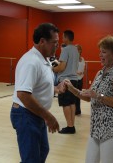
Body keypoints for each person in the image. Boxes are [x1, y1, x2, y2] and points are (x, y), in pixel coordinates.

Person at [65, 35, 113, 163]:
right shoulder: (100, 73)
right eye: (100, 51)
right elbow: (89, 97)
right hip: (96, 128)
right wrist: (71, 88)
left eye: (104, 52)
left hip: (112, 130)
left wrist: (99, 96)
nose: (100, 55)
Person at [10, 23, 66, 163]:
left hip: (36, 114)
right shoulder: (31, 62)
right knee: (32, 158)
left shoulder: (45, 59)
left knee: (41, 151)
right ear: (42, 41)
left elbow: (39, 85)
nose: (57, 46)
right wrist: (49, 116)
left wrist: (56, 88)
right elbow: (23, 94)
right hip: (26, 115)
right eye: (54, 42)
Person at [53, 30, 79, 134]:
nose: (61, 38)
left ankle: (69, 126)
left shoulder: (65, 49)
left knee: (65, 104)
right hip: (74, 79)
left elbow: (62, 67)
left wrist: (53, 68)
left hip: (65, 80)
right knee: (72, 103)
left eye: (62, 37)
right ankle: (72, 125)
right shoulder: (76, 50)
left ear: (66, 38)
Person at [75, 44, 85, 115]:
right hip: (74, 79)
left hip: (80, 79)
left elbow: (83, 67)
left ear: (80, 50)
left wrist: (82, 72)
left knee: (79, 95)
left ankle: (78, 110)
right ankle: (73, 110)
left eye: (77, 49)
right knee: (74, 95)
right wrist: (77, 72)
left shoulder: (82, 59)